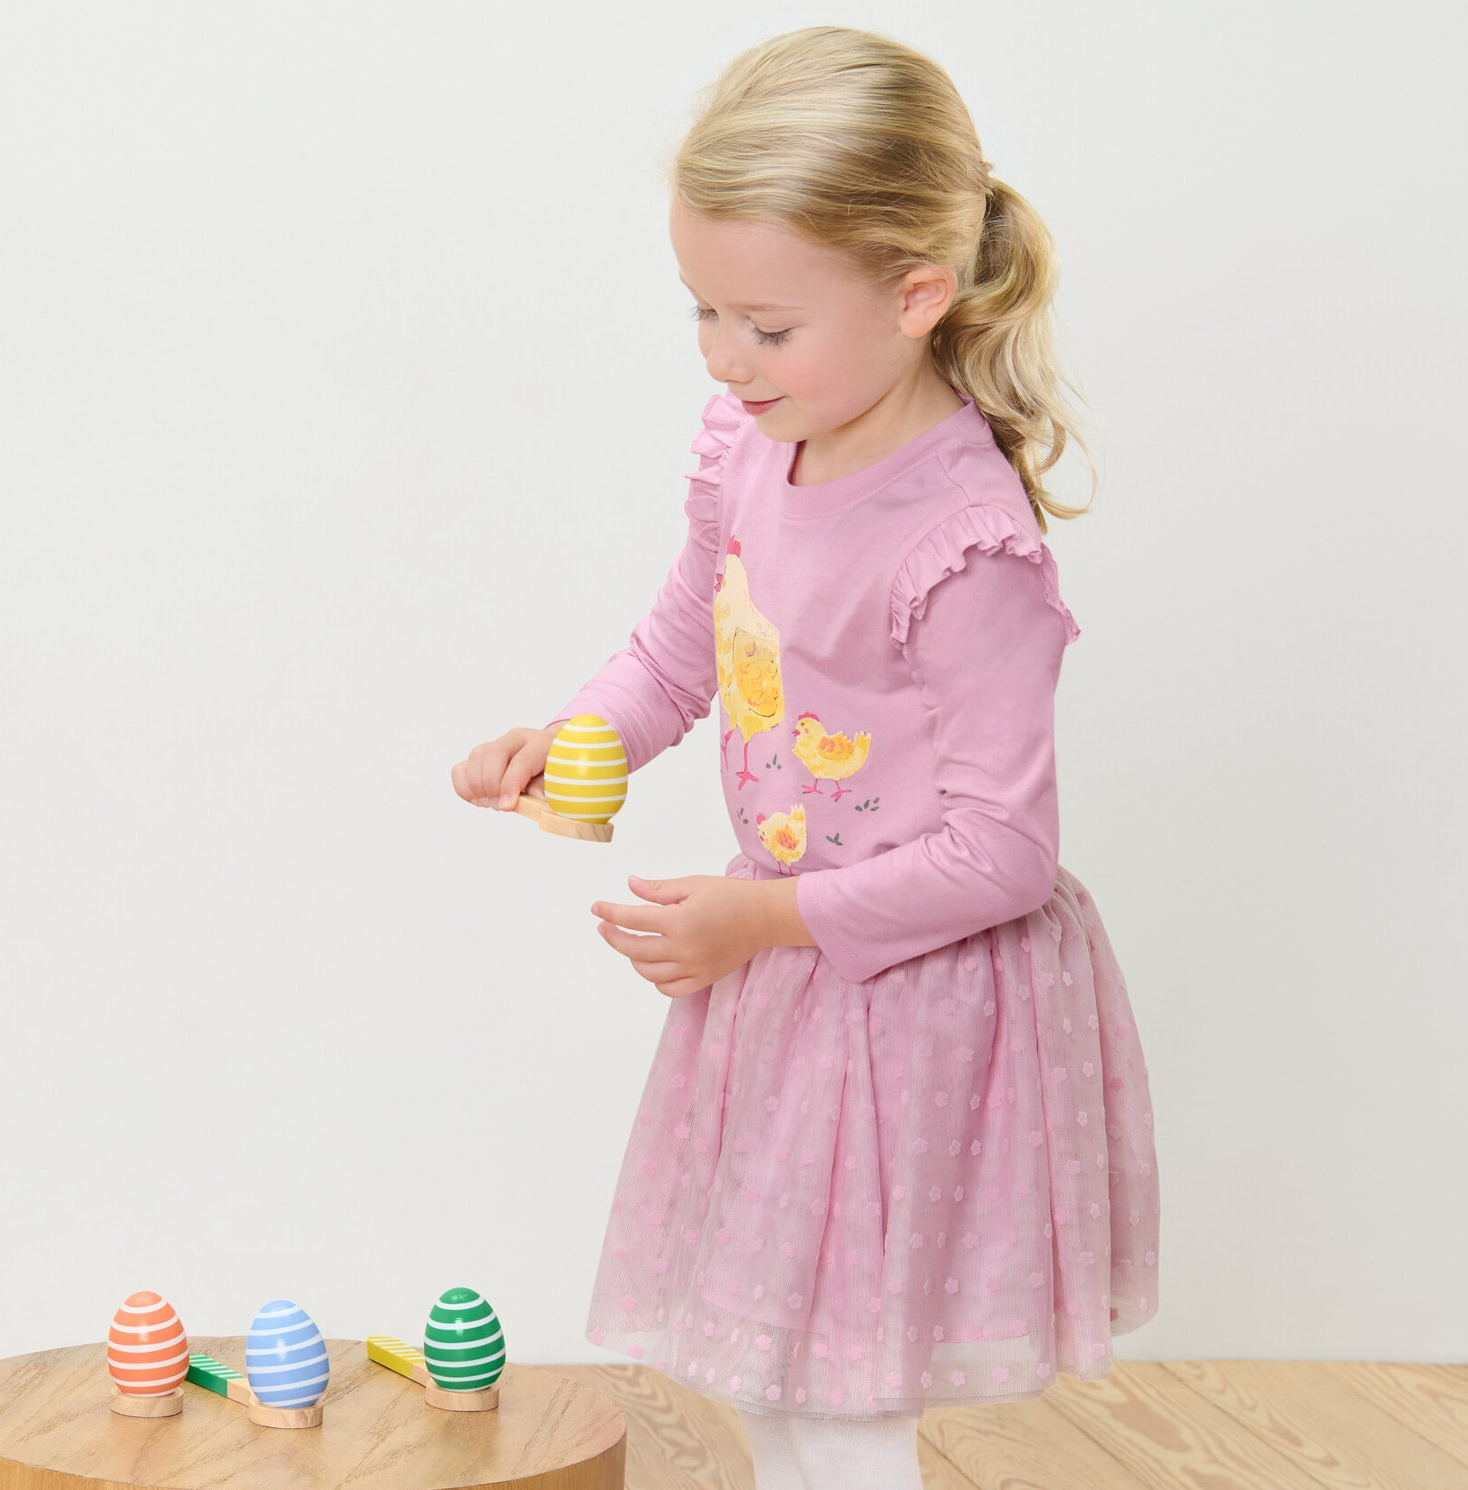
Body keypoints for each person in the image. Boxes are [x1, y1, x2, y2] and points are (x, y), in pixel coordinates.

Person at [450, 25, 1159, 1490]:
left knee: (843, 1398)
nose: (725, 357)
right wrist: (571, 739)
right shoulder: (749, 447)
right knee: (770, 1366)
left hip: (910, 997)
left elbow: (999, 854)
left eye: (765, 326)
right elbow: (680, 649)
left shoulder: (964, 550)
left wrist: (756, 918)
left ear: (915, 295)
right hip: (787, 970)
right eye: (702, 313)